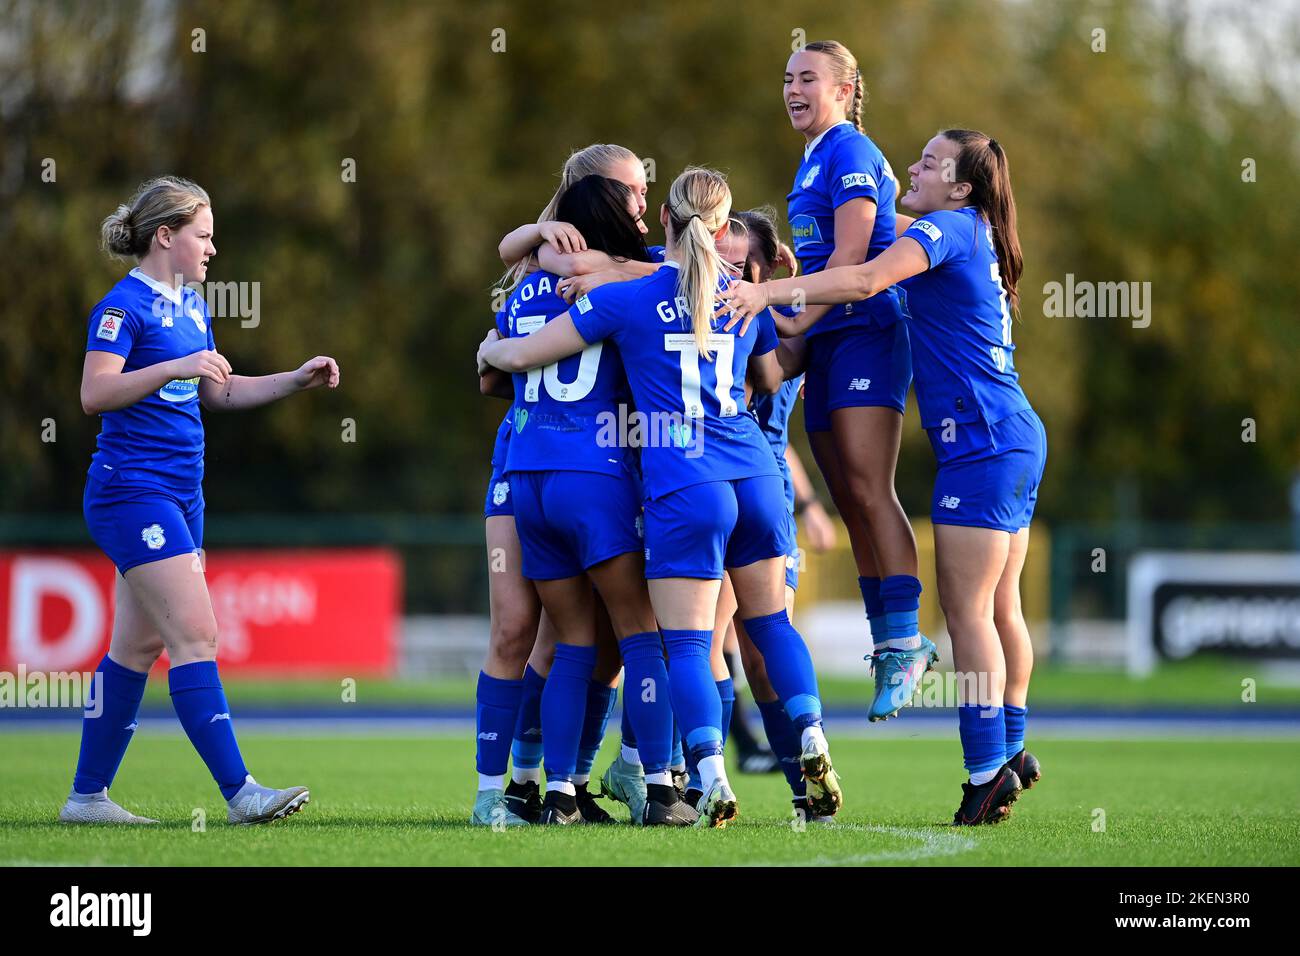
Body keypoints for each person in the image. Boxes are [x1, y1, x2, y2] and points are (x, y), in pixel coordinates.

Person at [480, 166, 842, 828]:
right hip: (757, 475)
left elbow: (528, 351)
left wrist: (492, 348)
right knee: (770, 626)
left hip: (671, 480)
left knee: (667, 643)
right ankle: (812, 738)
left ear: (669, 222)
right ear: (723, 228)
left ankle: (693, 776)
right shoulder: (738, 294)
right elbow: (770, 373)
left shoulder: (629, 295)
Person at [719, 129, 1046, 824]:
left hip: (983, 444)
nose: (911, 169)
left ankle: (986, 771)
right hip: (1012, 435)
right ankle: (1012, 752)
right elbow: (862, 235)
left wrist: (769, 290)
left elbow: (866, 278)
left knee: (966, 616)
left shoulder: (947, 228)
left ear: (961, 187)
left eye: (929, 163)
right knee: (1001, 609)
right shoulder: (974, 225)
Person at [64, 176, 339, 826]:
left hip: (183, 495)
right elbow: (94, 393)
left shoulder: (191, 306)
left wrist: (292, 380)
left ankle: (86, 798)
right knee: (197, 635)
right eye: (204, 236)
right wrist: (169, 369)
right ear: (166, 236)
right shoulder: (122, 307)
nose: (213, 249)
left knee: (135, 650)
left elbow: (219, 391)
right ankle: (242, 793)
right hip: (133, 492)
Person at [487, 175, 695, 826]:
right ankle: (661, 789)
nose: (642, 215)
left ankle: (557, 794)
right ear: (610, 217)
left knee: (571, 643)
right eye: (633, 206)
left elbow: (491, 370)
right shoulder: (629, 285)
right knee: (642, 636)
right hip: (595, 472)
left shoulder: (523, 291)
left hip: (529, 477)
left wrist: (540, 245)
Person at [782, 40, 938, 719]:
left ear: (845, 90)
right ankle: (889, 642)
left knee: (872, 488)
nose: (793, 88)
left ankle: (907, 640)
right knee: (847, 494)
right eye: (788, 79)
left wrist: (788, 321)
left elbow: (851, 257)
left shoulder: (849, 151)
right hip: (829, 334)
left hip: (865, 331)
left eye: (808, 78)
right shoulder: (815, 155)